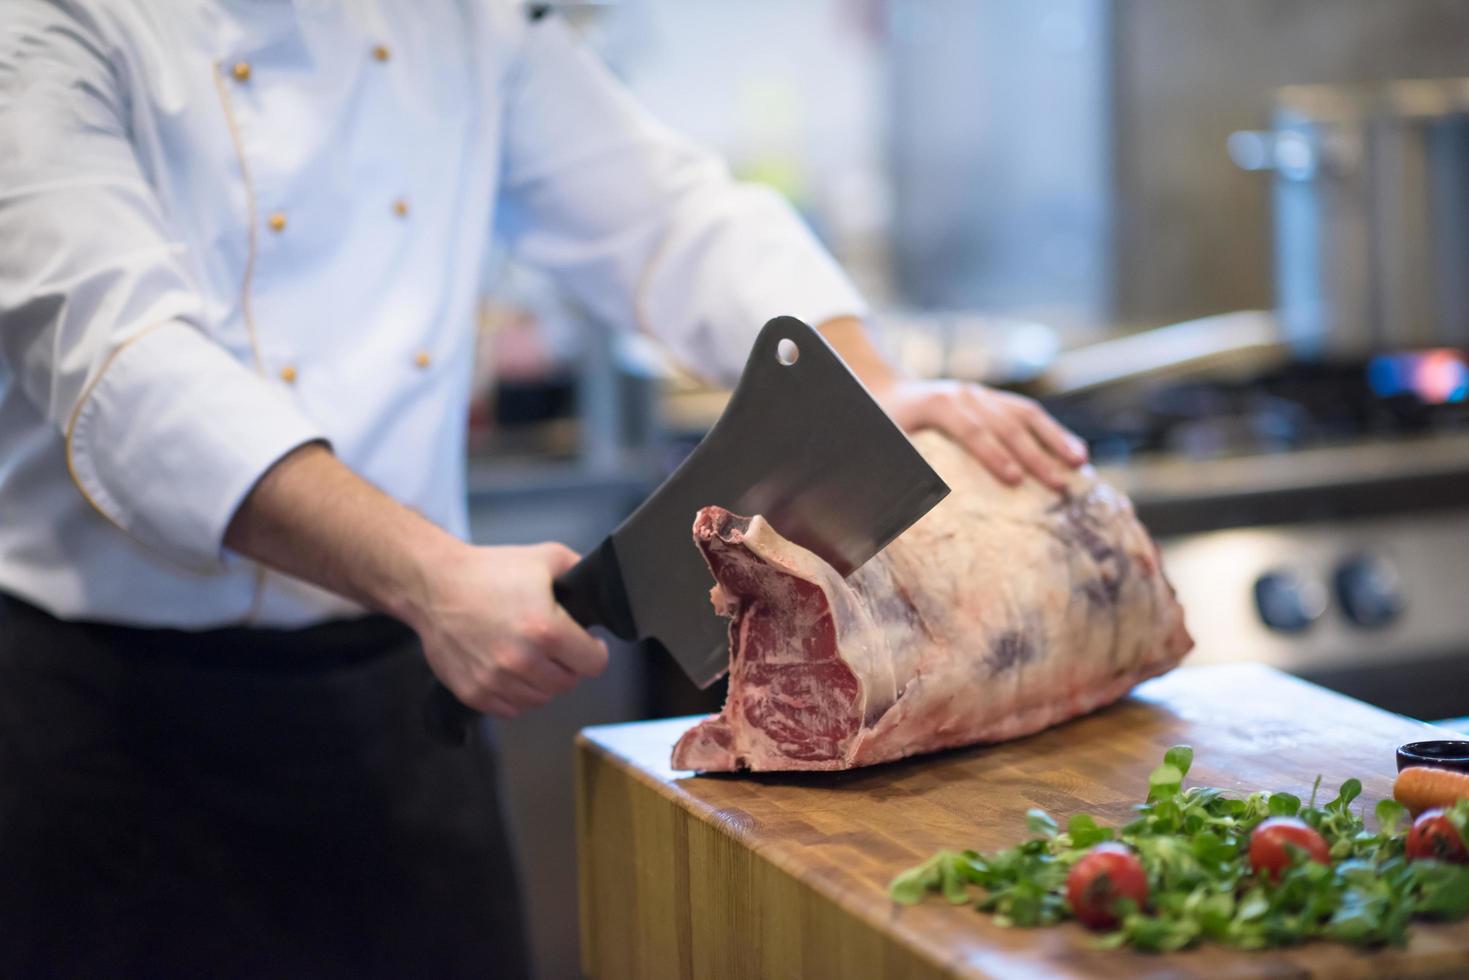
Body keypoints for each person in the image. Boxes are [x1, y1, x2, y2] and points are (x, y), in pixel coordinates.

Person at [0, 1, 1088, 977]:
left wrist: (874, 391)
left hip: (398, 703)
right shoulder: (52, 26)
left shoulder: (458, 24)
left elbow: (666, 219)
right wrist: (429, 574)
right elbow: (129, 370)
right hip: (107, 721)